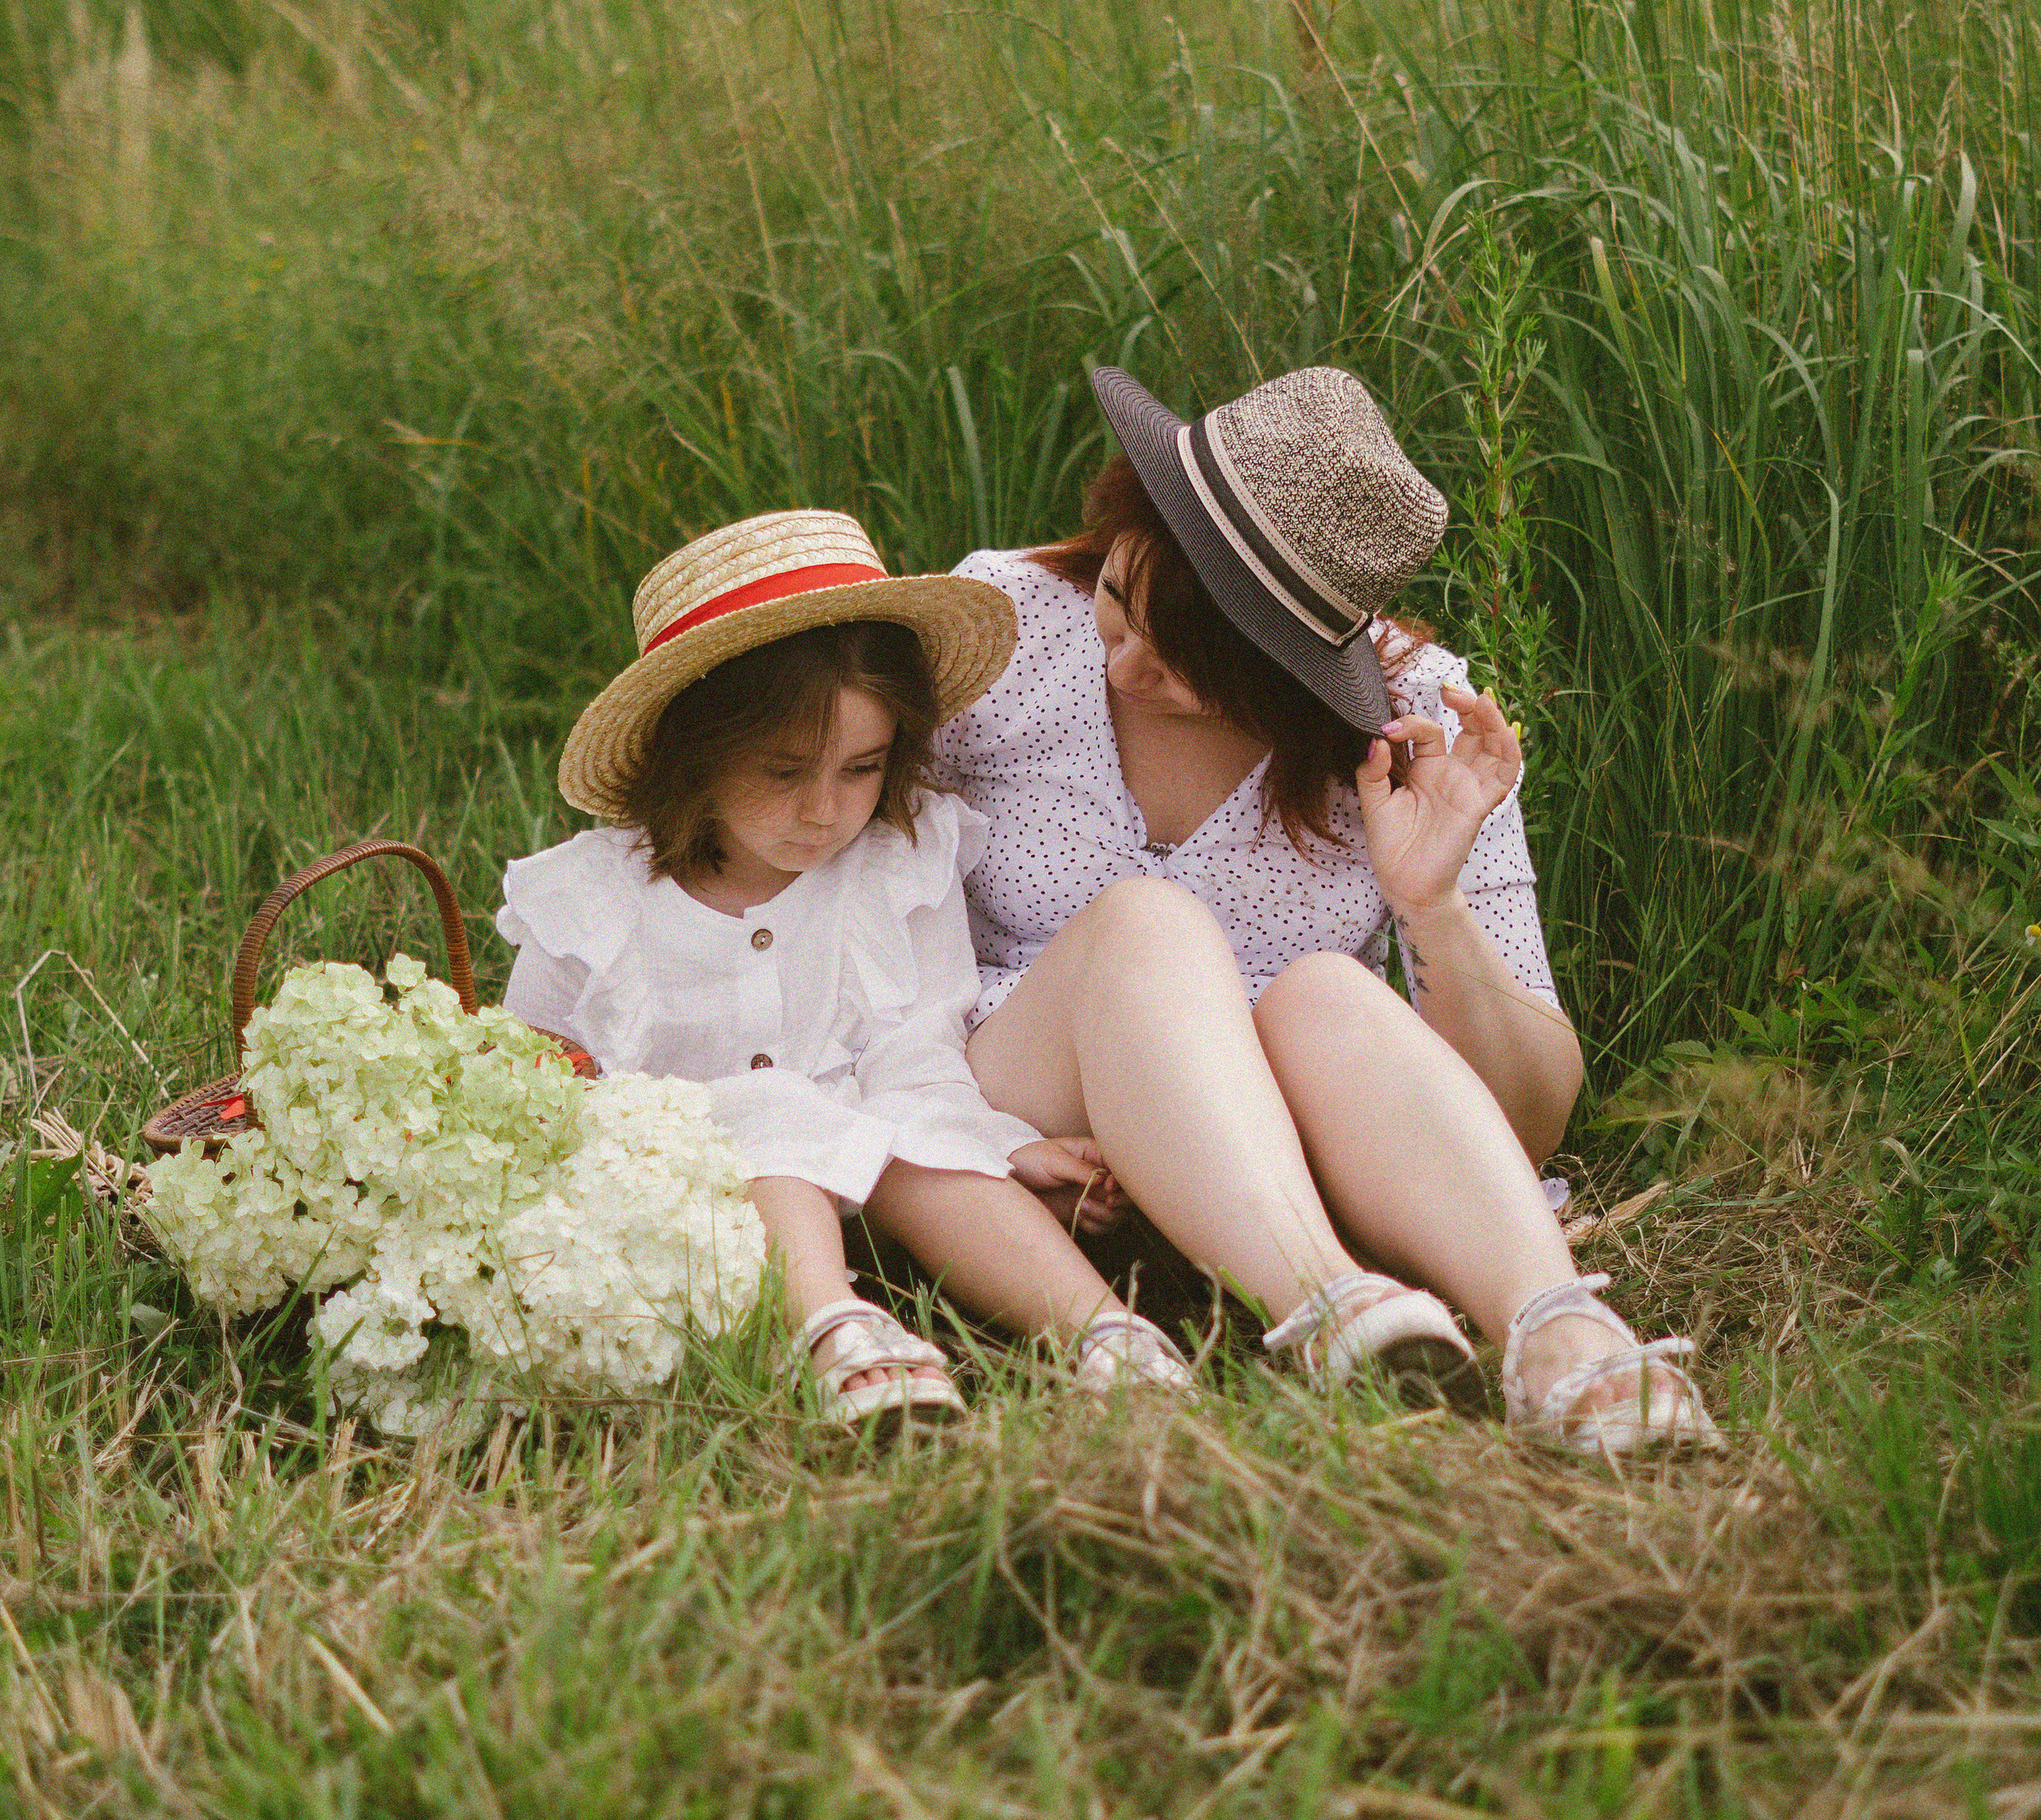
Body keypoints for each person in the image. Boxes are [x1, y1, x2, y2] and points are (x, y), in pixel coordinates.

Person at [930, 364, 1720, 1455]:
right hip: (1027, 1119)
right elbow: (835, 888)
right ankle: (1330, 1303)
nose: (1121, 664)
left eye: (1182, 665)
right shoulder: (1003, 626)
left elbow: (1528, 1118)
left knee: (1326, 992)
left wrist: (1429, 903)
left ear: (1291, 676)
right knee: (1147, 923)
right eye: (1118, 599)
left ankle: (1559, 1334)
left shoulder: (1415, 724)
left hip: (1280, 1146)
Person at [495, 509, 1194, 1423]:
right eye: (782, 773)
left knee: (918, 1136)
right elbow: (531, 1082)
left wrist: (1001, 1144)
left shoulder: (896, 866)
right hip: (691, 1191)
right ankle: (833, 1328)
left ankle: (1102, 1330)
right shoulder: (591, 904)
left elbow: (916, 1046)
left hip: (868, 1157)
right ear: (695, 754)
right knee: (768, 1103)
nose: (825, 811)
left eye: (861, 769)